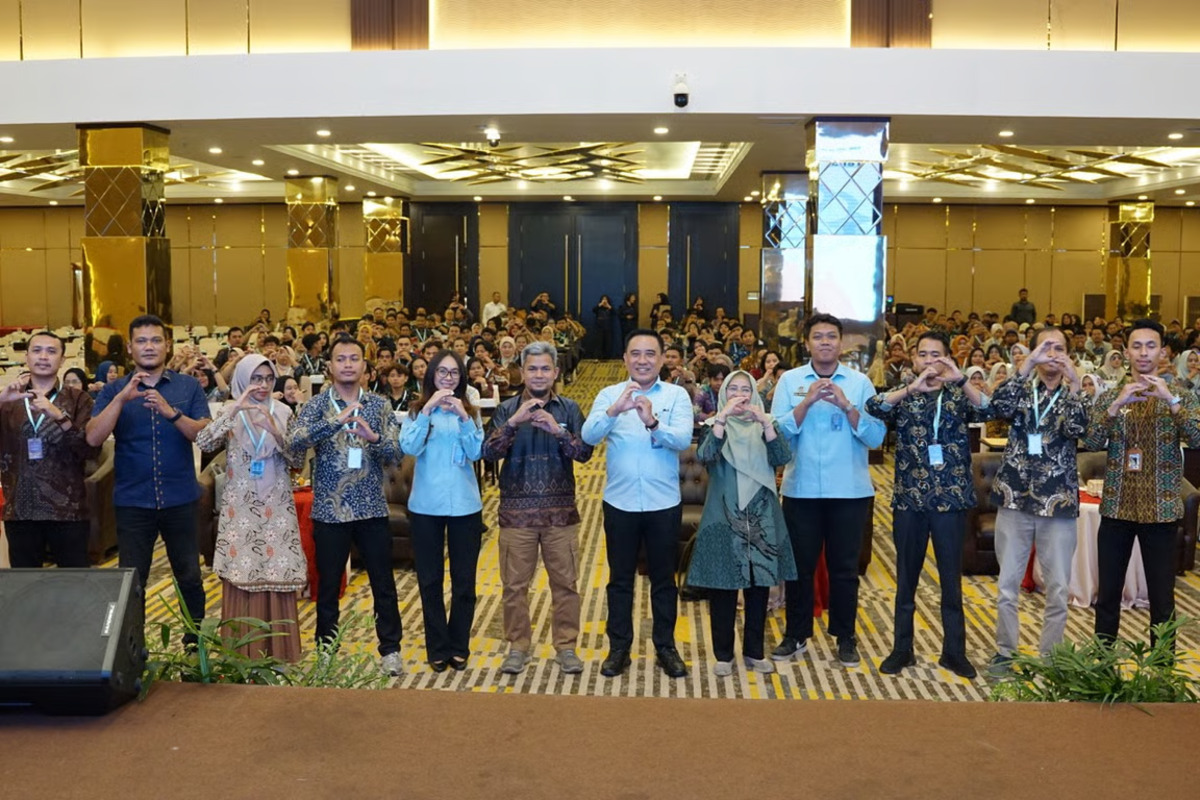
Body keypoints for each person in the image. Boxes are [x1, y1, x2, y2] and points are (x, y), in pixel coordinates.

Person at [866, 330, 991, 679]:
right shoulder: (905, 394)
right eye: (923, 354)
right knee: (906, 580)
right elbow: (873, 407)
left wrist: (961, 378)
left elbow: (990, 408)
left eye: (937, 355)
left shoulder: (957, 394)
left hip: (950, 500)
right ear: (913, 359)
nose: (929, 361)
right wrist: (910, 388)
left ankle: (954, 652)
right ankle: (901, 649)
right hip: (910, 500)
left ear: (948, 359)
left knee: (951, 581)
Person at [86, 315, 212, 642]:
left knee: (189, 577)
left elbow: (204, 434)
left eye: (156, 340)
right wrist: (120, 399)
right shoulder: (115, 389)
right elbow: (93, 438)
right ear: (130, 348)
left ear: (167, 345)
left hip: (181, 497)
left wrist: (172, 412)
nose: (149, 346)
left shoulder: (188, 387)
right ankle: (133, 654)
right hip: (133, 501)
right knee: (132, 582)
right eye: (142, 341)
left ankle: (193, 650)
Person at [769, 313, 884, 668]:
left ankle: (845, 636)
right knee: (799, 568)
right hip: (801, 489)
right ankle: (796, 634)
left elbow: (876, 437)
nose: (824, 342)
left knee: (845, 568)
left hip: (848, 491)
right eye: (817, 337)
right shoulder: (790, 381)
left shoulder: (860, 383)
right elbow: (776, 435)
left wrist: (847, 406)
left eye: (831, 337)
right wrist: (805, 404)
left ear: (841, 342)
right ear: (806, 343)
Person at [288, 336, 404, 676]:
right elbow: (294, 442)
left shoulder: (380, 406)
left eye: (355, 359)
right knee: (327, 585)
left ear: (365, 367)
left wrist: (374, 439)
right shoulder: (316, 405)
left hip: (371, 509)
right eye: (341, 359)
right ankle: (326, 650)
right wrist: (333, 423)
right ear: (330, 366)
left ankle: (391, 650)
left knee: (383, 583)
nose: (348, 364)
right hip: (329, 510)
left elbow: (396, 456)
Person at [582, 328, 694, 678]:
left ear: (662, 359)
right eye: (635, 354)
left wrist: (652, 421)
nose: (642, 360)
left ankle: (665, 647)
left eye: (650, 354)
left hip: (663, 504)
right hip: (620, 503)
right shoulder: (608, 394)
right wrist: (615, 410)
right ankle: (619, 648)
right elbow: (588, 437)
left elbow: (682, 439)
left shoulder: (677, 396)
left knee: (664, 579)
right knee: (620, 580)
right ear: (625, 359)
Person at [1083, 319, 1200, 648]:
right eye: (1137, 346)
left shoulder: (1179, 395)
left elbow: (1196, 436)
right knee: (1107, 597)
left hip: (1161, 511)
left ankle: (1163, 677)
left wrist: (1171, 402)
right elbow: (1091, 441)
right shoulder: (1111, 395)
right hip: (1117, 508)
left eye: (1151, 346)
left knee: (1162, 601)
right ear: (1126, 352)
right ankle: (1102, 671)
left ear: (1163, 352)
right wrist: (1116, 405)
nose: (1144, 353)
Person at [482, 341, 594, 674]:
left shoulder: (570, 408)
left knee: (566, 584)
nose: (539, 374)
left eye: (546, 368)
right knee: (515, 586)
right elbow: (488, 453)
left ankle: (566, 647)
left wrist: (558, 431)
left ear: (556, 372)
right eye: (532, 368)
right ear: (522, 372)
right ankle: (518, 646)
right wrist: (515, 422)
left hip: (561, 515)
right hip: (517, 516)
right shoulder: (506, 409)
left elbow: (584, 453)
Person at [986, 328, 1088, 676]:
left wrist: (1074, 385)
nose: (1052, 355)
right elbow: (996, 406)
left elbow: (1079, 429)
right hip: (1015, 497)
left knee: (1058, 587)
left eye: (1059, 348)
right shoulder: (1021, 389)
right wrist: (1026, 365)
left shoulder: (1074, 392)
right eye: (1045, 348)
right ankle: (1005, 652)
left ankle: (1051, 656)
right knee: (1007, 585)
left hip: (1057, 502)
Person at [196, 355, 307, 661]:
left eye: (268, 379)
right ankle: (242, 654)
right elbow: (204, 442)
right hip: (241, 510)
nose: (262, 385)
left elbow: (297, 461)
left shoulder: (284, 411)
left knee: (277, 574)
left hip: (276, 507)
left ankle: (282, 655)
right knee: (242, 575)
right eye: (256, 379)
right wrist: (234, 411)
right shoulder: (230, 411)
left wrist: (275, 430)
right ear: (243, 379)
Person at [686, 370, 795, 676]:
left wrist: (765, 423)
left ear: (754, 393)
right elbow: (706, 456)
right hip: (723, 515)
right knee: (723, 586)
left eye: (745, 389)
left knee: (759, 587)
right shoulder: (712, 426)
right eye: (732, 389)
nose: (739, 394)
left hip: (761, 514)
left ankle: (754, 651)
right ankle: (723, 654)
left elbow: (782, 456)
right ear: (723, 394)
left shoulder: (767, 424)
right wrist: (720, 419)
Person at [399, 350, 486, 672]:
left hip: (465, 505)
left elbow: (477, 452)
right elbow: (409, 448)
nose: (448, 378)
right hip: (426, 506)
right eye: (442, 372)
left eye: (454, 373)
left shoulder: (471, 411)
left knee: (464, 581)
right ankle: (437, 646)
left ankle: (459, 645)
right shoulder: (416, 410)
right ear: (431, 376)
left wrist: (464, 417)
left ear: (461, 378)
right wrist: (428, 411)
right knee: (430, 580)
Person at [0, 332, 96, 568]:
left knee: (74, 585)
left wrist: (58, 416)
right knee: (26, 589)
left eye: (51, 351)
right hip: (20, 509)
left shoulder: (79, 399)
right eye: (37, 350)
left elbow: (89, 450)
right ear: (26, 356)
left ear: (62, 360)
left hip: (68, 510)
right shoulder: (10, 398)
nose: (43, 357)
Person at [593, 294, 615, 359]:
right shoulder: (599, 308)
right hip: (599, 327)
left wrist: (608, 306)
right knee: (599, 343)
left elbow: (614, 313)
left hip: (608, 327)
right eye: (603, 299)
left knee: (607, 343)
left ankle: (607, 357)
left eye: (606, 299)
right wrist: (600, 305)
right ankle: (598, 357)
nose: (604, 301)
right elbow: (594, 310)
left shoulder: (609, 308)